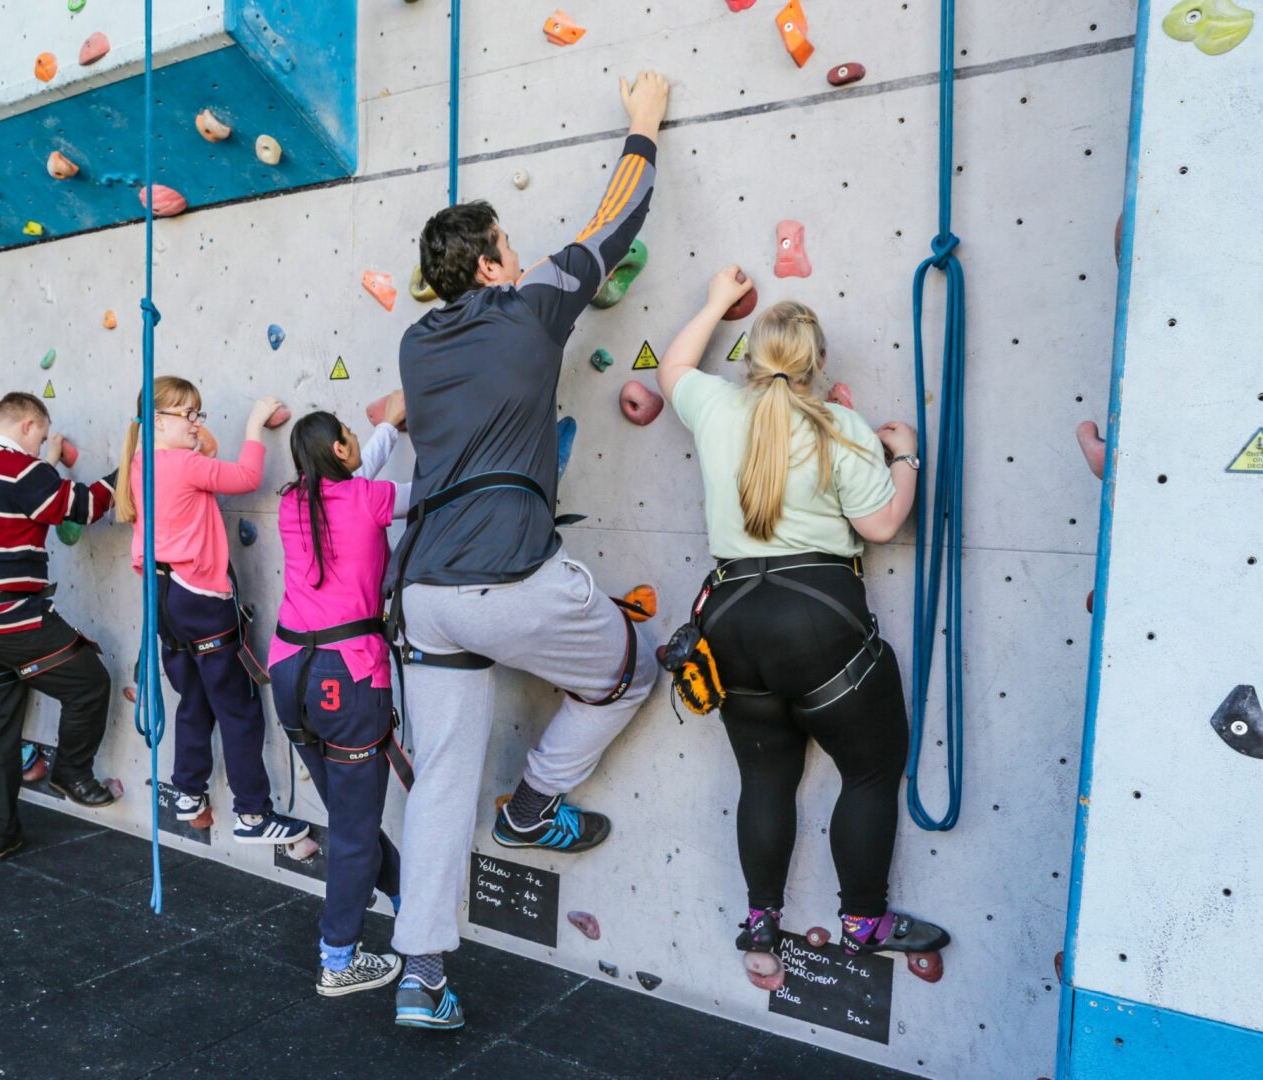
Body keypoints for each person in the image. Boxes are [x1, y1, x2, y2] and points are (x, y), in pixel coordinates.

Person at [386, 71, 670, 1030]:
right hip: (512, 578)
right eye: (509, 242)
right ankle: (534, 802)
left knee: (439, 783)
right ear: (497, 265)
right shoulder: (531, 305)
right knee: (631, 670)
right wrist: (641, 124)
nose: (520, 250)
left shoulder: (416, 346)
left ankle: (421, 975)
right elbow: (614, 224)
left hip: (426, 594)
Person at [657, 278, 952, 964]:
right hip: (816, 619)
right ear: (818, 364)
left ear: (749, 360)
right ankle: (863, 925)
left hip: (730, 620)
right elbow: (880, 524)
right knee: (871, 772)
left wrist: (712, 301)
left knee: (763, 779)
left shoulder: (716, 406)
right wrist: (904, 455)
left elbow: (672, 369)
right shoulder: (838, 425)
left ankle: (762, 923)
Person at [115, 377, 309, 845]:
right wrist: (255, 425)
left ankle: (189, 791)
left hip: (161, 597)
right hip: (200, 596)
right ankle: (253, 815)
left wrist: (195, 433)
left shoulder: (142, 463)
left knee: (194, 699)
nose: (198, 424)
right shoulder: (182, 466)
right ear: (159, 421)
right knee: (238, 709)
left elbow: (205, 454)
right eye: (189, 415)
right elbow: (245, 477)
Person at [0, 392, 121, 863]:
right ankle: (72, 772)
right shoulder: (22, 470)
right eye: (40, 438)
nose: (41, 449)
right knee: (88, 682)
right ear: (29, 424)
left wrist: (48, 467)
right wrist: (133, 469)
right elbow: (84, 508)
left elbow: (21, 501)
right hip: (6, 617)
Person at [268, 395, 412, 997]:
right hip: (348, 680)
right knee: (354, 829)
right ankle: (338, 960)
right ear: (339, 451)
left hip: (289, 675)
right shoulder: (370, 499)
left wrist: (385, 429)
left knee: (351, 818)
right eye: (351, 436)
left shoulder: (290, 504)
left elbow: (353, 476)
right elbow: (437, 489)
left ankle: (406, 893)